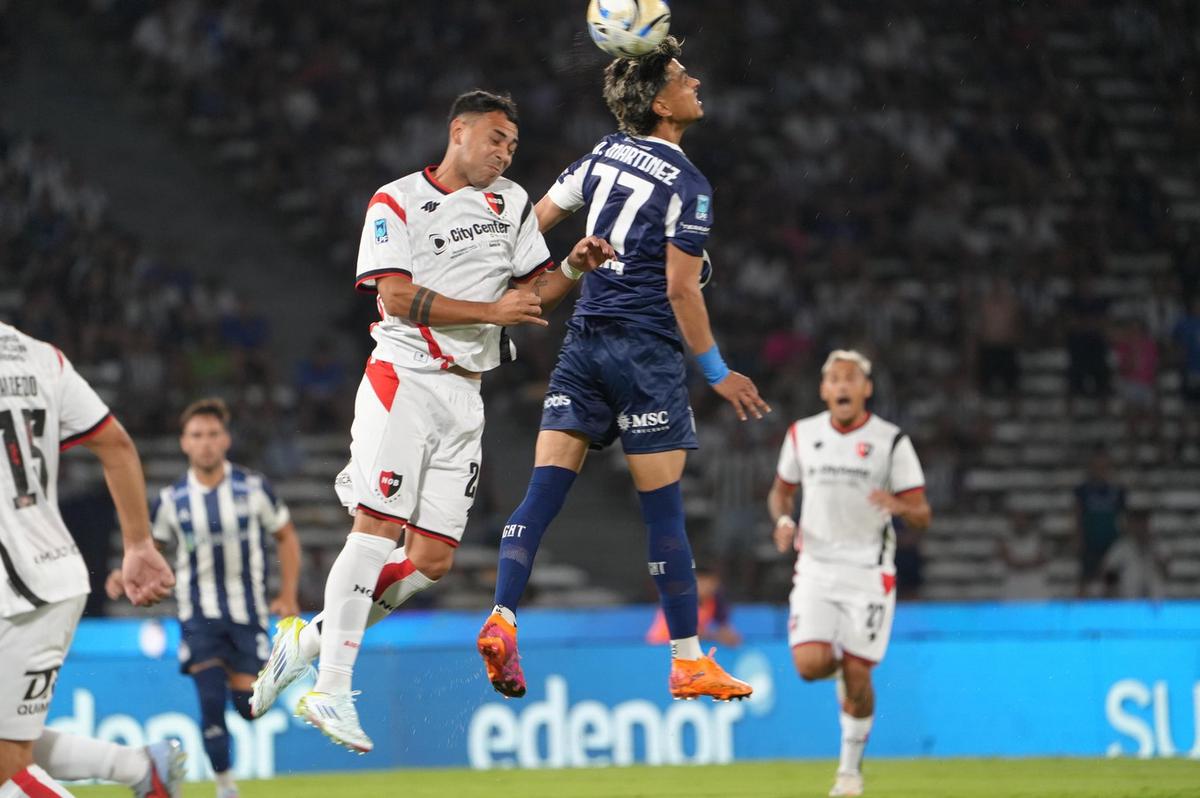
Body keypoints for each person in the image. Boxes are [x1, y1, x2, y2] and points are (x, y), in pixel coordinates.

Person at [248, 90, 613, 753]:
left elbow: (531, 297)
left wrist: (571, 266)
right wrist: (492, 312)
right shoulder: (397, 201)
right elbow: (395, 297)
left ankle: (310, 640)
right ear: (459, 132)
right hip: (405, 379)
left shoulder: (511, 204)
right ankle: (331, 689)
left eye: (513, 145)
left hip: (466, 396)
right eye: (496, 138)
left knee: (432, 560)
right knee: (376, 526)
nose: (505, 153)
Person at [475, 36, 769, 703]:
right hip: (646, 354)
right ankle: (688, 660)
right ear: (659, 103)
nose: (694, 82)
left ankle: (502, 614)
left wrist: (543, 272)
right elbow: (682, 290)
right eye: (681, 77)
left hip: (583, 342)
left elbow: (532, 223)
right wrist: (718, 372)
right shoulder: (690, 186)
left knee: (542, 492)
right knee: (663, 511)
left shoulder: (602, 153)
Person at [0, 321, 181, 798]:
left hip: (17, 594)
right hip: (50, 572)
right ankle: (141, 768)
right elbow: (115, 444)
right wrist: (138, 544)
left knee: (6, 766)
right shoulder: (43, 357)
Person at [105, 398, 300, 798]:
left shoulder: (253, 488)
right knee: (210, 700)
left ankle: (267, 677)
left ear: (226, 439)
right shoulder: (171, 500)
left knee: (248, 708)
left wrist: (288, 594)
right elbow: (149, 549)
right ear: (184, 443)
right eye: (197, 435)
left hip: (248, 615)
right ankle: (226, 787)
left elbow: (286, 536)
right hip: (199, 618)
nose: (206, 442)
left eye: (213, 434)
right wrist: (124, 574)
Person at [767, 350, 931, 798]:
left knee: (859, 676)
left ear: (866, 389)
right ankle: (846, 669)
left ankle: (849, 773)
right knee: (809, 666)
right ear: (824, 390)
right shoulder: (802, 434)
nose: (842, 385)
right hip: (815, 568)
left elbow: (923, 514)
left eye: (851, 378)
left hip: (867, 572)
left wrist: (899, 506)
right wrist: (783, 520)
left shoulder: (891, 441)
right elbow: (780, 493)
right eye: (835, 378)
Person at [645, 566, 741, 648]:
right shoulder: (680, 600)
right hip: (662, 645)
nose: (705, 587)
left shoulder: (715, 601)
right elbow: (689, 633)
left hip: (686, 647)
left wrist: (730, 637)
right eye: (701, 582)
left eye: (709, 583)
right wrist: (717, 636)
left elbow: (724, 628)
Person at [1073, 449, 1126, 598]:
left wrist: (1122, 541)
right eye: (1097, 467)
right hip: (1090, 542)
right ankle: (1081, 607)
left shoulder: (1117, 491)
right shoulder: (1083, 490)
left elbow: (1123, 517)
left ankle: (1112, 607)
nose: (1100, 471)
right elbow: (1077, 514)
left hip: (1111, 543)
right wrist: (1078, 538)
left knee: (1111, 580)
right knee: (1087, 579)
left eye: (1103, 467)